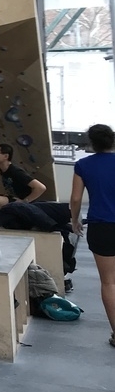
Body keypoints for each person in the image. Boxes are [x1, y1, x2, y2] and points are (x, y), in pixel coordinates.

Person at [70, 124, 115, 349]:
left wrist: (74, 219)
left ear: (91, 144)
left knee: (109, 282)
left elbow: (76, 199)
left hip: (102, 227)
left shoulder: (83, 165)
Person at [0, 143, 47, 217]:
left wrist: (24, 201)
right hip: (12, 198)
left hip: (21, 202)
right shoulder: (3, 170)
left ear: (6, 156)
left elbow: (41, 187)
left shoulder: (15, 171)